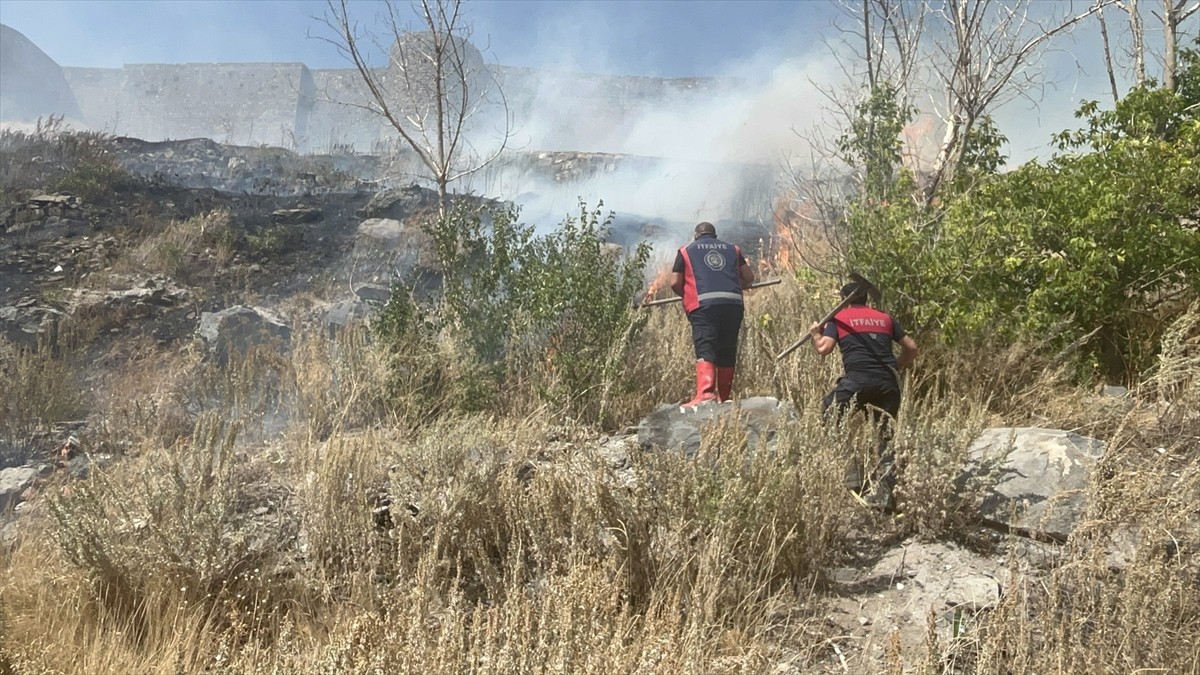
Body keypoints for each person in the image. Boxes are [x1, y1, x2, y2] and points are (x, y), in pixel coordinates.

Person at [810, 281, 918, 506]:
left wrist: (816, 334)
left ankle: (851, 479)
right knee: (884, 437)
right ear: (865, 299)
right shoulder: (885, 319)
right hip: (887, 384)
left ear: (844, 300)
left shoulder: (838, 318)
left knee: (830, 413)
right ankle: (888, 496)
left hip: (856, 382)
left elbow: (824, 349)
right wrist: (896, 367)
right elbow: (912, 348)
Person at [671, 221, 755, 410]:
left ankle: (706, 394)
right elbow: (749, 277)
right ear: (715, 236)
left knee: (706, 345)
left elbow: (675, 282)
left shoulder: (685, 251)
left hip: (703, 305)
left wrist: (687, 295)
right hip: (733, 304)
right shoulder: (733, 249)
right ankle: (724, 397)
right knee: (727, 349)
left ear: (696, 236)